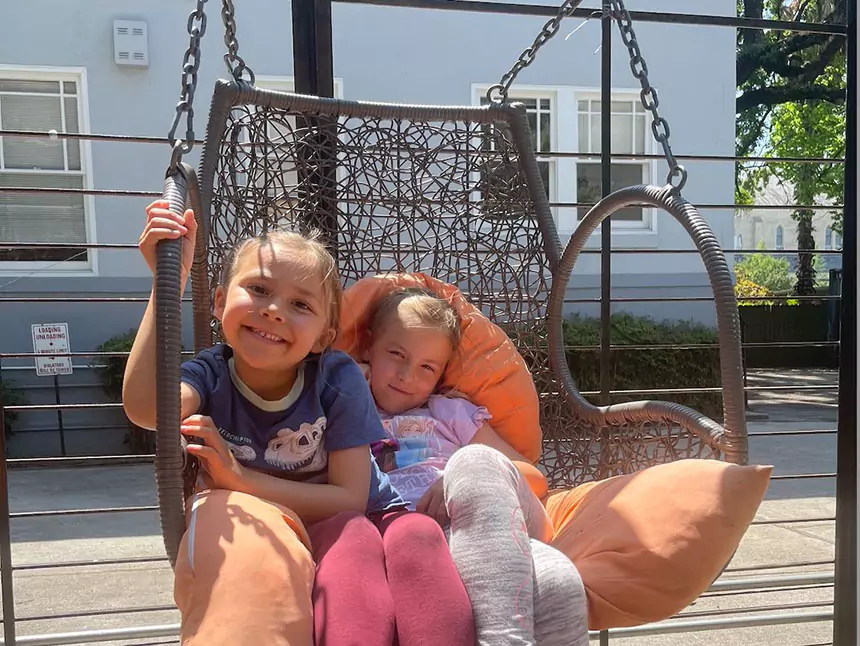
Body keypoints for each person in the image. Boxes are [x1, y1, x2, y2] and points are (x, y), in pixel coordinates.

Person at [124, 201, 474, 646]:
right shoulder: (209, 374)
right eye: (258, 288)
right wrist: (165, 284)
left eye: (300, 304)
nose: (273, 310)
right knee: (349, 543)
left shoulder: (335, 375)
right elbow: (147, 409)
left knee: (392, 536)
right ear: (218, 300)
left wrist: (239, 478)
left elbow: (349, 497)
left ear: (324, 336)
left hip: (358, 513)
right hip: (275, 525)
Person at [359, 287, 590, 646]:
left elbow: (527, 476)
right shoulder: (349, 412)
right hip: (420, 541)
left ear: (441, 375)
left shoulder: (450, 412)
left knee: (475, 461)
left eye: (427, 367)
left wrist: (458, 478)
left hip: (485, 521)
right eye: (395, 354)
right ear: (368, 347)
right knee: (558, 582)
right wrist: (344, 386)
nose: (407, 375)